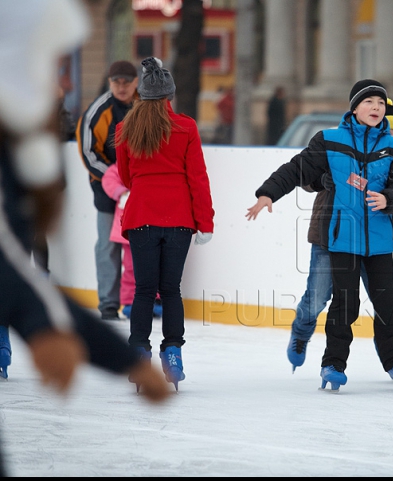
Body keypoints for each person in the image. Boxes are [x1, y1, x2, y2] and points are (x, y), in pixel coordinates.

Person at [0, 1, 169, 474]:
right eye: (50, 63)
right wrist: (49, 329)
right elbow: (10, 273)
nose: (63, 82)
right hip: (108, 197)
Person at [247, 79, 393, 392]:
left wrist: (390, 199)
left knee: (387, 306)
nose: (376, 107)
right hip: (340, 239)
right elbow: (296, 169)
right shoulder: (330, 141)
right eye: (369, 102)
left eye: (381, 103)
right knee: (343, 304)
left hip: (379, 241)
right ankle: (333, 365)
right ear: (354, 108)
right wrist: (268, 193)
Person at [285, 97, 393, 382]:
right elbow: (305, 176)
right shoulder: (337, 146)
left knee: (385, 302)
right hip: (328, 235)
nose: (390, 138)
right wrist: (325, 179)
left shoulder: (387, 155)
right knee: (319, 298)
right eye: (389, 132)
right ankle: (301, 331)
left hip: (369, 238)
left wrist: (389, 198)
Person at [115, 57, 215, 391]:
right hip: (179, 220)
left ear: (141, 95)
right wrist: (206, 222)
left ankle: (139, 353)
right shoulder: (186, 127)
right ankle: (172, 354)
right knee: (171, 289)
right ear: (169, 96)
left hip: (142, 215)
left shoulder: (126, 128)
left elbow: (127, 177)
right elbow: (198, 178)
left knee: (144, 290)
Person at [76, 59, 138, 320]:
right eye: (116, 82)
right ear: (110, 83)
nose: (121, 87)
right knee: (108, 244)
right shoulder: (98, 111)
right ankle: (108, 304)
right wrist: (115, 181)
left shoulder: (145, 106)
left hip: (140, 185)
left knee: (139, 245)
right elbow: (88, 152)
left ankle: (139, 300)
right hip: (106, 186)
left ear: (136, 83)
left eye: (126, 82)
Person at [101, 163, 163, 320]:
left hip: (152, 226)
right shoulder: (124, 165)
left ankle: (154, 299)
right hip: (130, 229)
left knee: (155, 265)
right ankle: (130, 302)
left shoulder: (157, 165)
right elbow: (109, 179)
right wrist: (122, 193)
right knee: (131, 267)